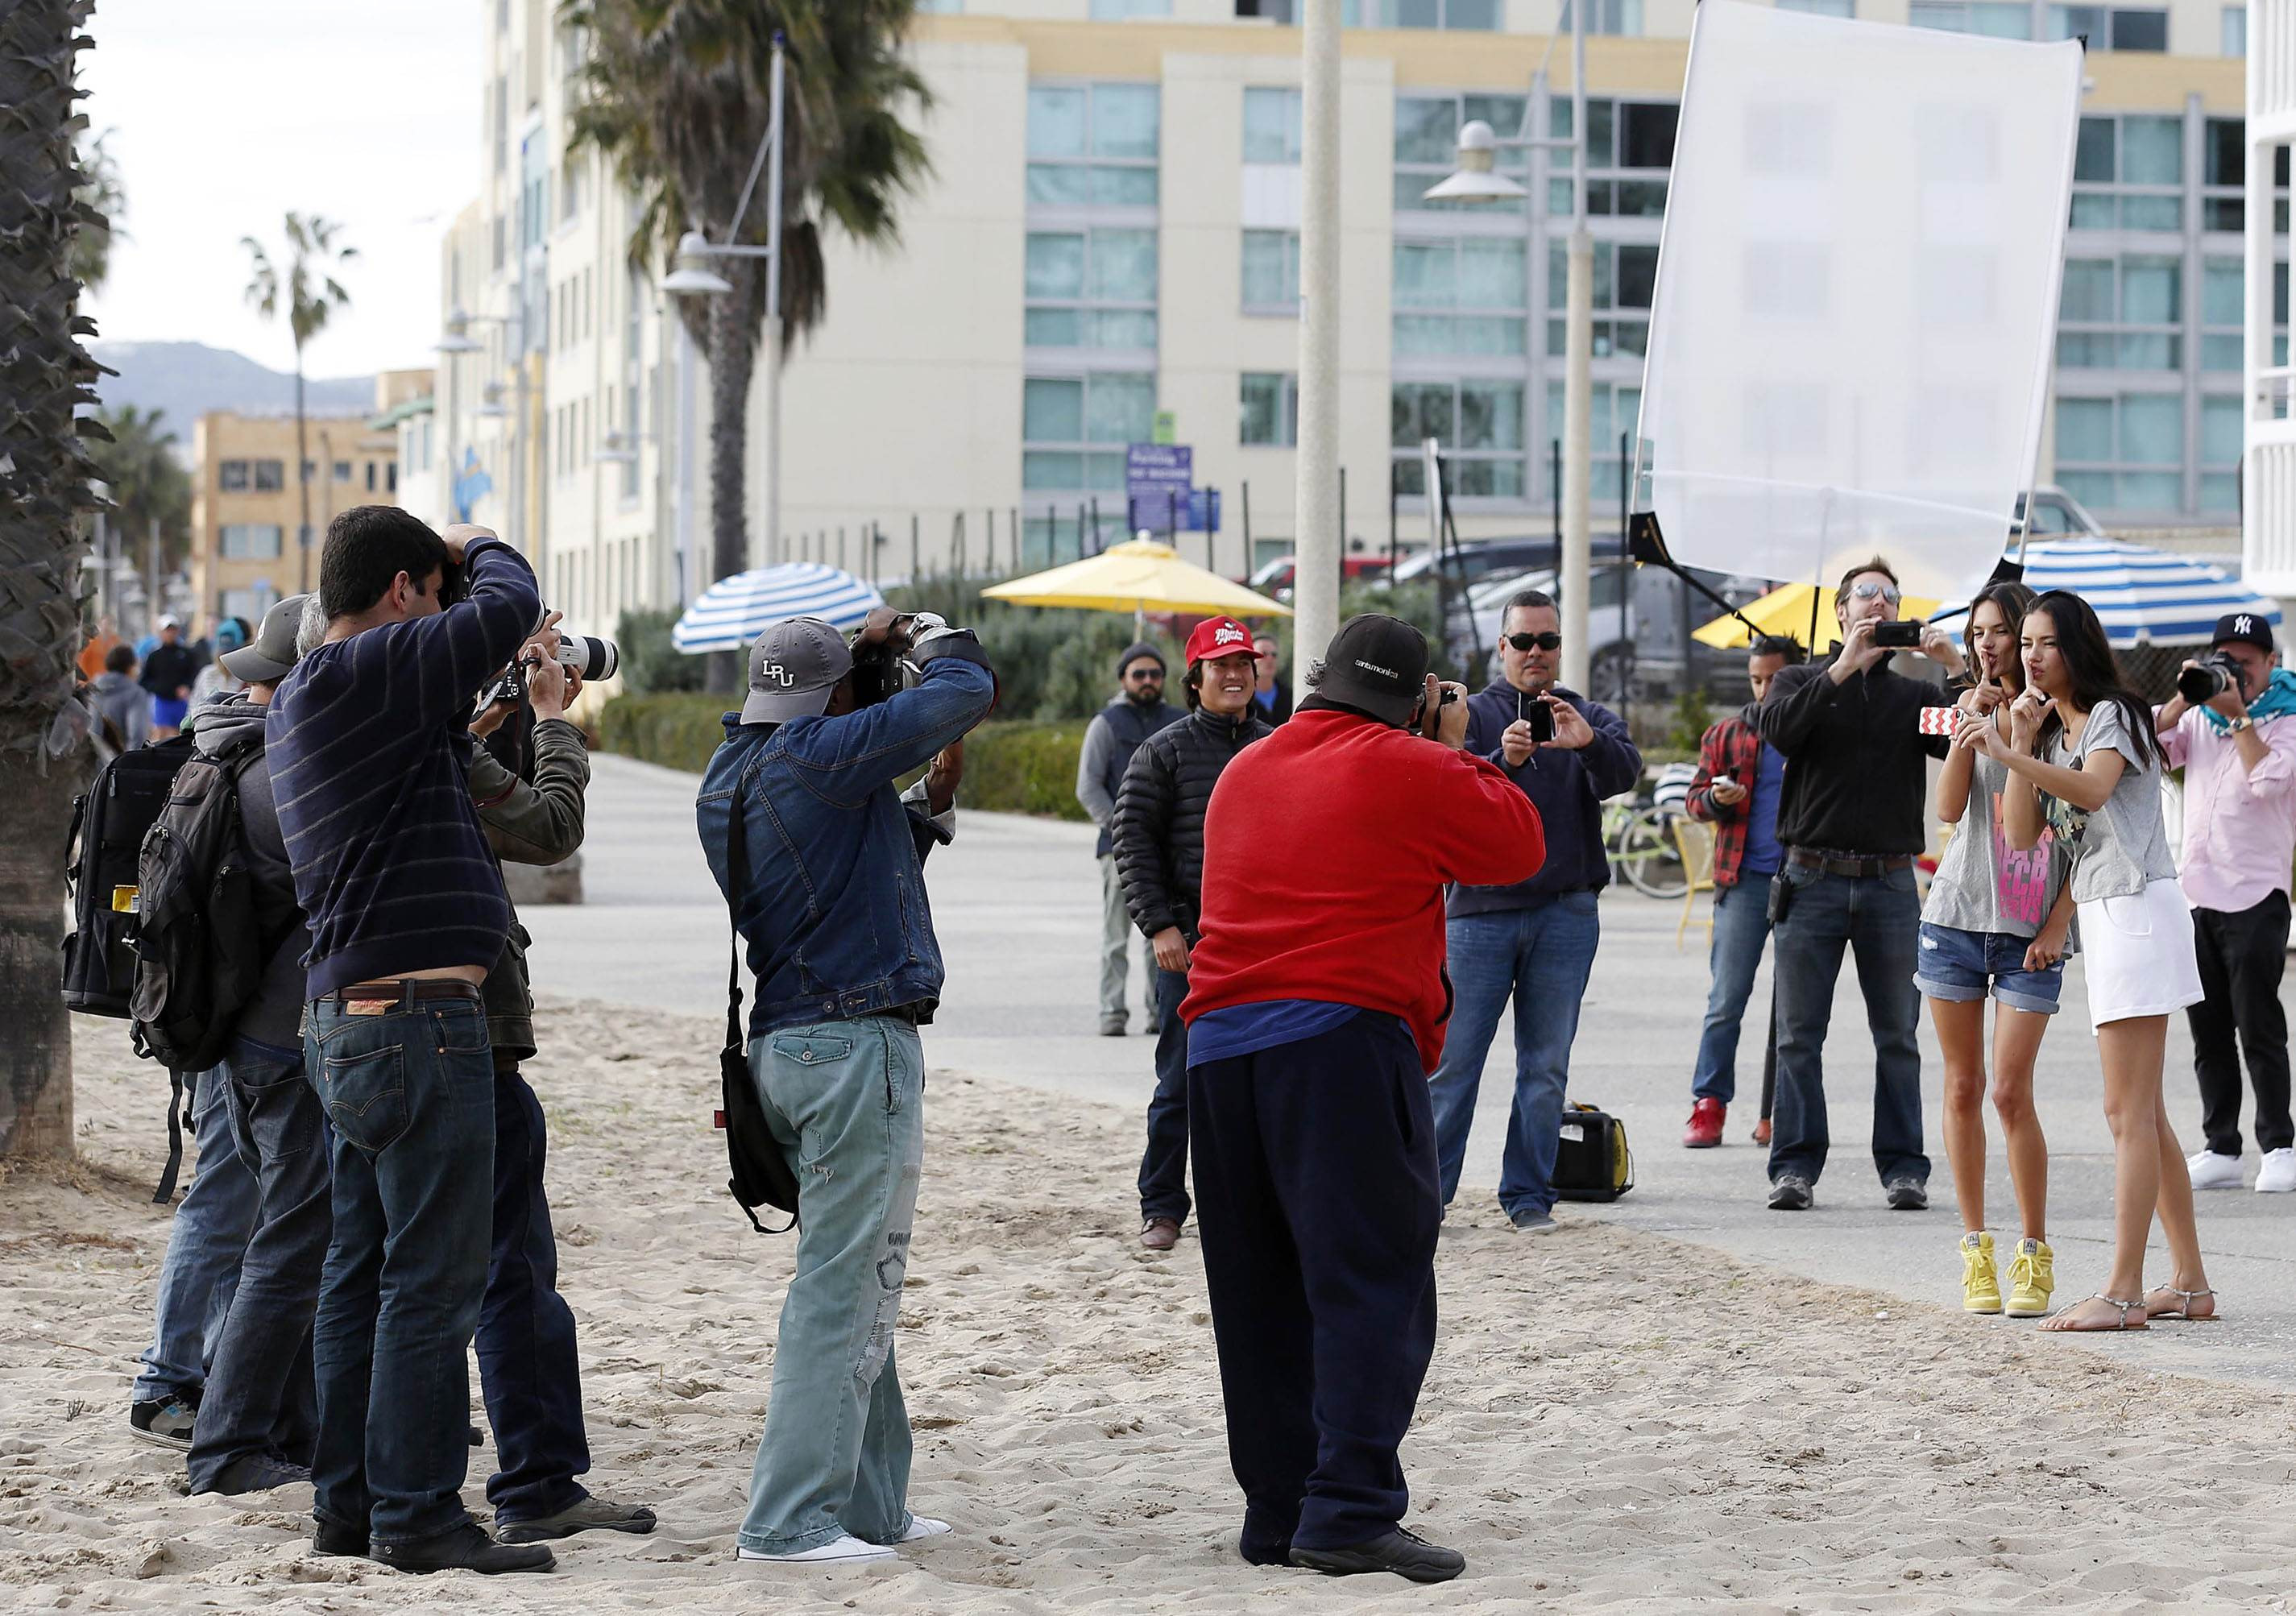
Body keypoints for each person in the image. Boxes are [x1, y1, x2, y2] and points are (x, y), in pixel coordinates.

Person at [1180, 615, 1545, 1584]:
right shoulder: (1412, 763)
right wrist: (1457, 749)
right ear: (1417, 695)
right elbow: (1515, 845)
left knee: (1258, 1289)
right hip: (1337, 1042)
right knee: (1371, 1279)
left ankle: (1280, 1510)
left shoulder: (1248, 767)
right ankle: (1348, 1509)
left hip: (1216, 1046)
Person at [268, 508, 552, 1576]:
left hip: (354, 1022)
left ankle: (348, 1505)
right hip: (418, 1028)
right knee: (432, 1280)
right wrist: (477, 546)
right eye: (434, 595)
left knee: (359, 1271)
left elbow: (429, 768)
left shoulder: (318, 695)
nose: (447, 616)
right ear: (401, 592)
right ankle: (420, 1514)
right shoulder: (364, 669)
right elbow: (512, 601)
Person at [698, 608, 994, 1565]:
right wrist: (928, 633)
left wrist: (927, 795)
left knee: (861, 1275)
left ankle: (873, 1505)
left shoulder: (729, 775)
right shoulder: (823, 754)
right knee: (843, 1287)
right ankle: (789, 1521)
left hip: (788, 1048)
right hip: (854, 1042)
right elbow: (967, 690)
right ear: (834, 696)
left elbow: (843, 869)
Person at [461, 623, 659, 1545]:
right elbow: (549, 828)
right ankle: (538, 1482)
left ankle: (369, 1486)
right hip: (467, 1039)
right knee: (512, 1270)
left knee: (381, 1270)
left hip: (350, 1027)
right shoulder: (421, 730)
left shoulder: (335, 712)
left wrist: (502, 708)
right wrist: (546, 720)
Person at [1973, 589, 2218, 1332]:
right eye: (2027, 645)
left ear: (2077, 646)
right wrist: (2019, 742)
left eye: (2045, 643)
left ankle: (2121, 1290)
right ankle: (2190, 1284)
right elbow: (2019, 836)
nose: (2031, 656)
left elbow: (2095, 788)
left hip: (2138, 907)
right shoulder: (2050, 730)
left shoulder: (2115, 714)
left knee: (2126, 1113)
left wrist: (2014, 750)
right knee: (2147, 1114)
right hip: (2114, 915)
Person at [1426, 589, 1640, 1231]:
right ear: (1502, 646)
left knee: (1545, 1067)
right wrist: (1505, 761)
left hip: (1565, 912)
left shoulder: (1589, 715)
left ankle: (1527, 1196)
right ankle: (1428, 1196)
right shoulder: (1474, 715)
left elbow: (1627, 772)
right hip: (1479, 914)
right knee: (1454, 1062)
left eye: (1547, 641)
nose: (1537, 653)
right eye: (1524, 641)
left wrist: (1586, 745)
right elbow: (1449, 792)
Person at [179, 595, 330, 1496]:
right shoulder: (289, 771)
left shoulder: (227, 751)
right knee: (288, 1241)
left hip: (241, 1033)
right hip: (287, 1036)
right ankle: (229, 1445)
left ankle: (287, 1428)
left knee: (286, 1236)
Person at [1758, 557, 1963, 1212]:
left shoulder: (1913, 697)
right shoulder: (1799, 678)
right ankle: (1794, 1167)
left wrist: (1954, 667)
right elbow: (1781, 733)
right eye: (1864, 596)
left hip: (1889, 883)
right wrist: (1843, 667)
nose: (1878, 605)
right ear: (1840, 612)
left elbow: (1966, 736)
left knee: (1898, 1035)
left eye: (1890, 598)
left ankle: (1904, 1168)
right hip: (1810, 876)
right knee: (1798, 1034)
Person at [1918, 582, 2074, 1318]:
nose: (1985, 643)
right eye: (1977, 632)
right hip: (1953, 919)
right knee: (1960, 1086)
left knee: (2011, 1093)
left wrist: (2057, 926)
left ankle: (2034, 1254)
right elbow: (1949, 812)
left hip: (2029, 932)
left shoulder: (2059, 721)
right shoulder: (1971, 706)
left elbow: (2043, 835)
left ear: (2030, 636)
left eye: (2000, 631)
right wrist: (1968, 732)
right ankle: (1975, 1249)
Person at [1112, 615, 1274, 1253]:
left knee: (1258, 1084)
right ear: (1196, 678)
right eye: (1220, 667)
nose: (1233, 676)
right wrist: (1160, 926)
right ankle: (1162, 1206)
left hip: (1264, 946)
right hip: (1190, 946)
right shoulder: (1164, 750)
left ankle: (1248, 1206)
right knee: (1179, 1081)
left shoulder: (1276, 745)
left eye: (1242, 666)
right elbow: (1132, 842)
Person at [2153, 612, 2296, 1195]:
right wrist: (2184, 696)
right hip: (2198, 894)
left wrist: (2240, 717)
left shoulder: (2286, 718)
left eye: (2246, 661)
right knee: (2208, 1030)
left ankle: (2280, 1145)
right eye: (2225, 659)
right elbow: (2155, 752)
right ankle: (2221, 1145)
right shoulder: (2202, 716)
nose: (2235, 670)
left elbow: (2269, 782)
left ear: (2269, 664)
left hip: (2257, 894)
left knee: (2258, 1026)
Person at [1682, 635, 1801, 1148]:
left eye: (1774, 679)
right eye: (1756, 680)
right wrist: (1716, 797)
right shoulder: (1728, 734)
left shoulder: (1812, 735)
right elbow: (1694, 800)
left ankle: (1779, 1111)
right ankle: (1708, 1104)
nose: (1764, 690)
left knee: (1795, 1008)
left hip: (1805, 879)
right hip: (1743, 882)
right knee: (1726, 999)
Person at [1075, 643, 1183, 1035]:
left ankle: (1160, 1013)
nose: (1148, 681)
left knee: (1164, 935)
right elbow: (1088, 787)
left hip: (1168, 851)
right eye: (1139, 674)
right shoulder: (1106, 724)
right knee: (1116, 937)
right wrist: (1121, 828)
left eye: (1155, 674)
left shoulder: (1178, 720)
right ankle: (1112, 1012)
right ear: (1123, 678)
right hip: (1117, 852)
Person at [140, 615, 198, 740]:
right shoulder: (154, 656)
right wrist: (159, 688)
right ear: (161, 633)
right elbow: (144, 680)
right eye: (167, 630)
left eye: (173, 630)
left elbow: (194, 675)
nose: (170, 633)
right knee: (161, 734)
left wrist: (187, 687)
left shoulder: (186, 654)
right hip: (162, 702)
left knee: (181, 733)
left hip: (182, 702)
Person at [88, 642, 150, 752]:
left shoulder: (92, 689)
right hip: (119, 761)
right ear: (130, 667)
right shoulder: (135, 693)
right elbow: (137, 733)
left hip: (92, 759)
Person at [190, 617, 251, 709]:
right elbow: (193, 709)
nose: (225, 660)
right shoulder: (207, 674)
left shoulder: (250, 678)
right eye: (223, 653)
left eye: (230, 653)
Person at [1249, 632, 1291, 726]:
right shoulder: (1242, 699)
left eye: (1274, 655)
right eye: (1263, 654)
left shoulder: (1289, 696)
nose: (1270, 659)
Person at [79, 613, 122, 682]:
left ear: (114, 626)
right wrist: (88, 680)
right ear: (100, 626)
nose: (106, 628)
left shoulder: (118, 645)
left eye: (109, 624)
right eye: (103, 625)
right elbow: (84, 664)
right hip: (95, 682)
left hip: (114, 682)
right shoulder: (92, 644)